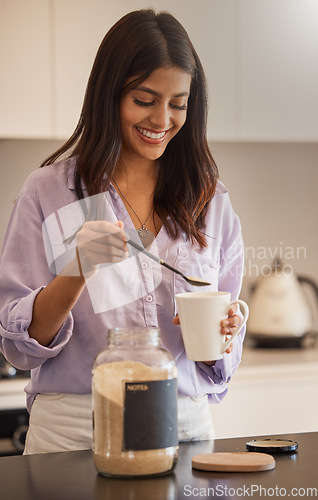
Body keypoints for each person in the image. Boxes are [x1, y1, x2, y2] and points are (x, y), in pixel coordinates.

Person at [0, 9, 245, 454]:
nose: (162, 119)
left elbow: (217, 359)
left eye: (178, 103)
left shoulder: (209, 200)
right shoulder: (53, 192)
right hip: (76, 435)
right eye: (145, 99)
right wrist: (78, 269)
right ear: (109, 94)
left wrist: (221, 335)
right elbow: (19, 348)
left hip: (183, 429)